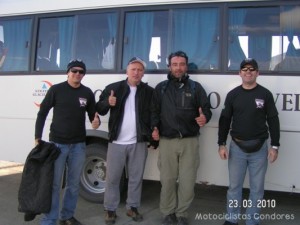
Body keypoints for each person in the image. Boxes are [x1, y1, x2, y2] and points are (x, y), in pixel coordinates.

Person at [35, 59, 100, 225]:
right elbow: (42, 113)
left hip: (78, 145)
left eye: (81, 72)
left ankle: (67, 216)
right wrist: (37, 138)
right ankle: (50, 218)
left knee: (73, 185)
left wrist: (96, 121)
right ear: (68, 72)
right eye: (74, 71)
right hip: (57, 145)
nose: (77, 74)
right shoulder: (56, 90)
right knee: (55, 184)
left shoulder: (87, 93)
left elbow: (93, 115)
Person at [151, 50, 212, 225]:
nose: (178, 68)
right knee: (168, 180)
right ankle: (168, 213)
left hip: (190, 141)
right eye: (175, 64)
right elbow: (154, 112)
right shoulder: (161, 88)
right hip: (167, 141)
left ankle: (182, 213)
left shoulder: (195, 88)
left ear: (186, 66)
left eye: (182, 64)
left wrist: (204, 117)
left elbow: (206, 109)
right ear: (169, 66)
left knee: (187, 181)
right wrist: (154, 128)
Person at [218, 58, 280, 225]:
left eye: (252, 69)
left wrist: (275, 146)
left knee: (257, 189)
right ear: (240, 73)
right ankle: (231, 219)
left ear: (257, 73)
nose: (248, 71)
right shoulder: (233, 95)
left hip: (259, 149)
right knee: (234, 188)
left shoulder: (265, 94)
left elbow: (273, 120)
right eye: (244, 69)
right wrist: (221, 144)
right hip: (237, 148)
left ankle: (253, 220)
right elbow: (225, 120)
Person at [96, 57, 155, 225]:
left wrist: (153, 137)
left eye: (140, 70)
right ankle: (110, 210)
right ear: (127, 71)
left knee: (136, 177)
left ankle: (132, 207)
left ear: (143, 72)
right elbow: (99, 108)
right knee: (113, 178)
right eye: (133, 69)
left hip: (139, 141)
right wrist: (108, 102)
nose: (136, 72)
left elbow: (153, 116)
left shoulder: (148, 92)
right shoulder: (114, 88)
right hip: (117, 142)